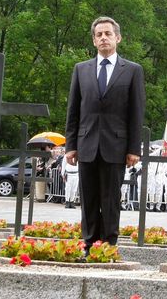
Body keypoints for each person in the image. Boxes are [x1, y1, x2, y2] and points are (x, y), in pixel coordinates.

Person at [65, 16, 145, 250]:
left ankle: (108, 245)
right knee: (88, 198)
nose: (103, 38)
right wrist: (71, 145)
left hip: (116, 147)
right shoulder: (81, 70)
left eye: (108, 34)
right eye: (99, 34)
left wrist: (133, 149)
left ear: (118, 38)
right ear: (93, 40)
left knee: (110, 200)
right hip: (86, 145)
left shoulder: (132, 71)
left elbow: (136, 113)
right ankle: (89, 244)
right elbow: (73, 109)